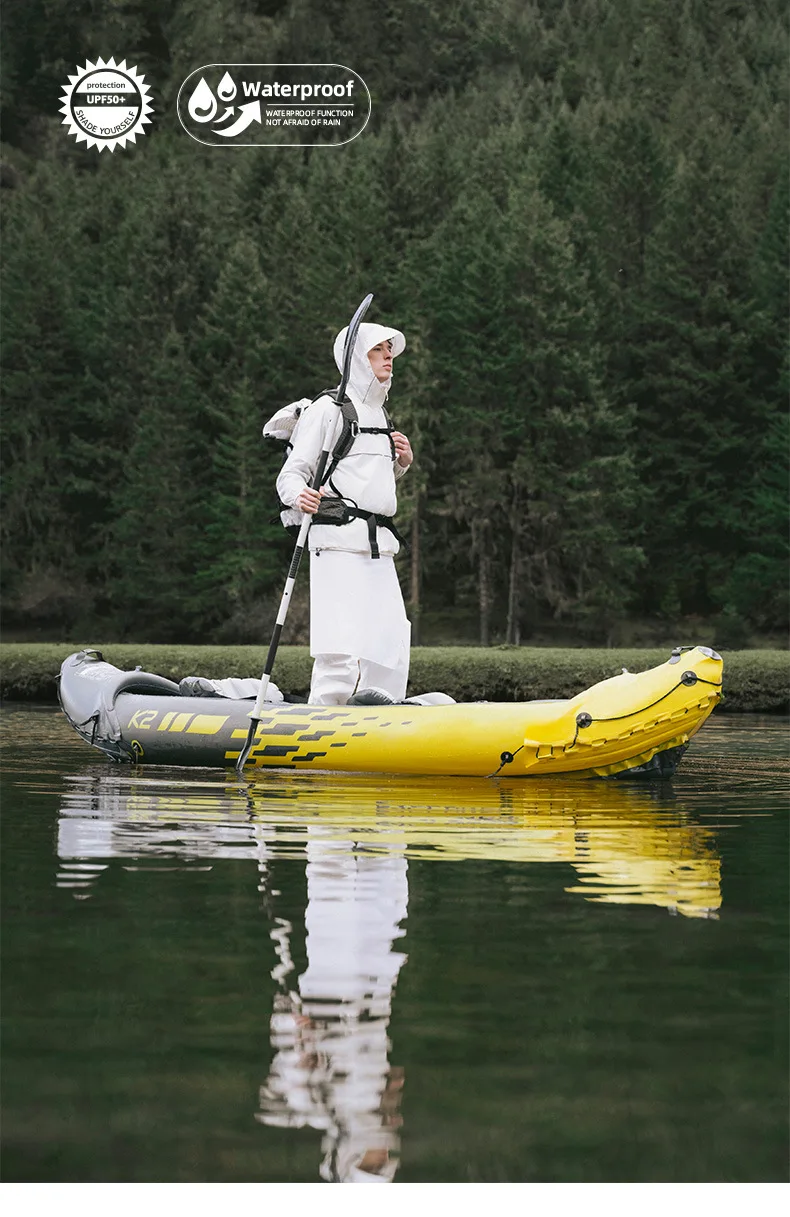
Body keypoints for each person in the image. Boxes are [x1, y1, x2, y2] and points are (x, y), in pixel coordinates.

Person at [276, 321, 414, 706]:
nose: (389, 356)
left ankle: (383, 722)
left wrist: (402, 462)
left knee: (390, 642)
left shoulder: (381, 414)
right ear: (356, 358)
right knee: (339, 647)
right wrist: (299, 496)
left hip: (378, 545)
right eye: (378, 349)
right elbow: (292, 475)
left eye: (390, 349)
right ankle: (322, 723)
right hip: (336, 541)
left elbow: (371, 484)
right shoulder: (328, 408)